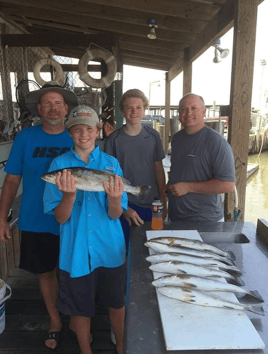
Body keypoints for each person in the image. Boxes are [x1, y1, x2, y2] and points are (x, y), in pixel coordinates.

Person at [0, 81, 78, 350]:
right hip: (35, 218)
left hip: (73, 218)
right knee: (45, 273)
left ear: (66, 108)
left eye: (58, 103)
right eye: (47, 103)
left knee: (73, 272)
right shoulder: (25, 137)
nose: (53, 108)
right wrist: (2, 217)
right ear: (39, 109)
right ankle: (55, 321)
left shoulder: (77, 136)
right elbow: (11, 179)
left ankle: (79, 323)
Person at [43, 105, 127, 354]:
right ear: (69, 133)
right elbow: (60, 218)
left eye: (89, 129)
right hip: (76, 251)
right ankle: (85, 350)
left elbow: (116, 213)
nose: (83, 134)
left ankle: (123, 347)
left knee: (116, 302)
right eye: (77, 129)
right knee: (80, 307)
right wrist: (68, 196)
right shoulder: (59, 165)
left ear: (98, 131)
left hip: (110, 248)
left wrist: (114, 199)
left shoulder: (111, 165)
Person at [104, 89, 166, 250]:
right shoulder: (113, 139)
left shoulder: (153, 136)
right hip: (127, 205)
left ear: (145, 109)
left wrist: (164, 200)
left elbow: (159, 169)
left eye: (138, 107)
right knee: (125, 250)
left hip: (152, 204)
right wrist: (124, 208)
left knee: (154, 249)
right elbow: (108, 177)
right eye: (129, 107)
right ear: (122, 111)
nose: (134, 111)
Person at [167, 93, 236, 222]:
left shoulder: (217, 142)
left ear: (204, 112)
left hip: (205, 220)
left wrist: (188, 187)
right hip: (175, 217)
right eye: (183, 109)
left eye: (194, 108)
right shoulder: (176, 139)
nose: (188, 113)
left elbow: (228, 185)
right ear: (179, 113)